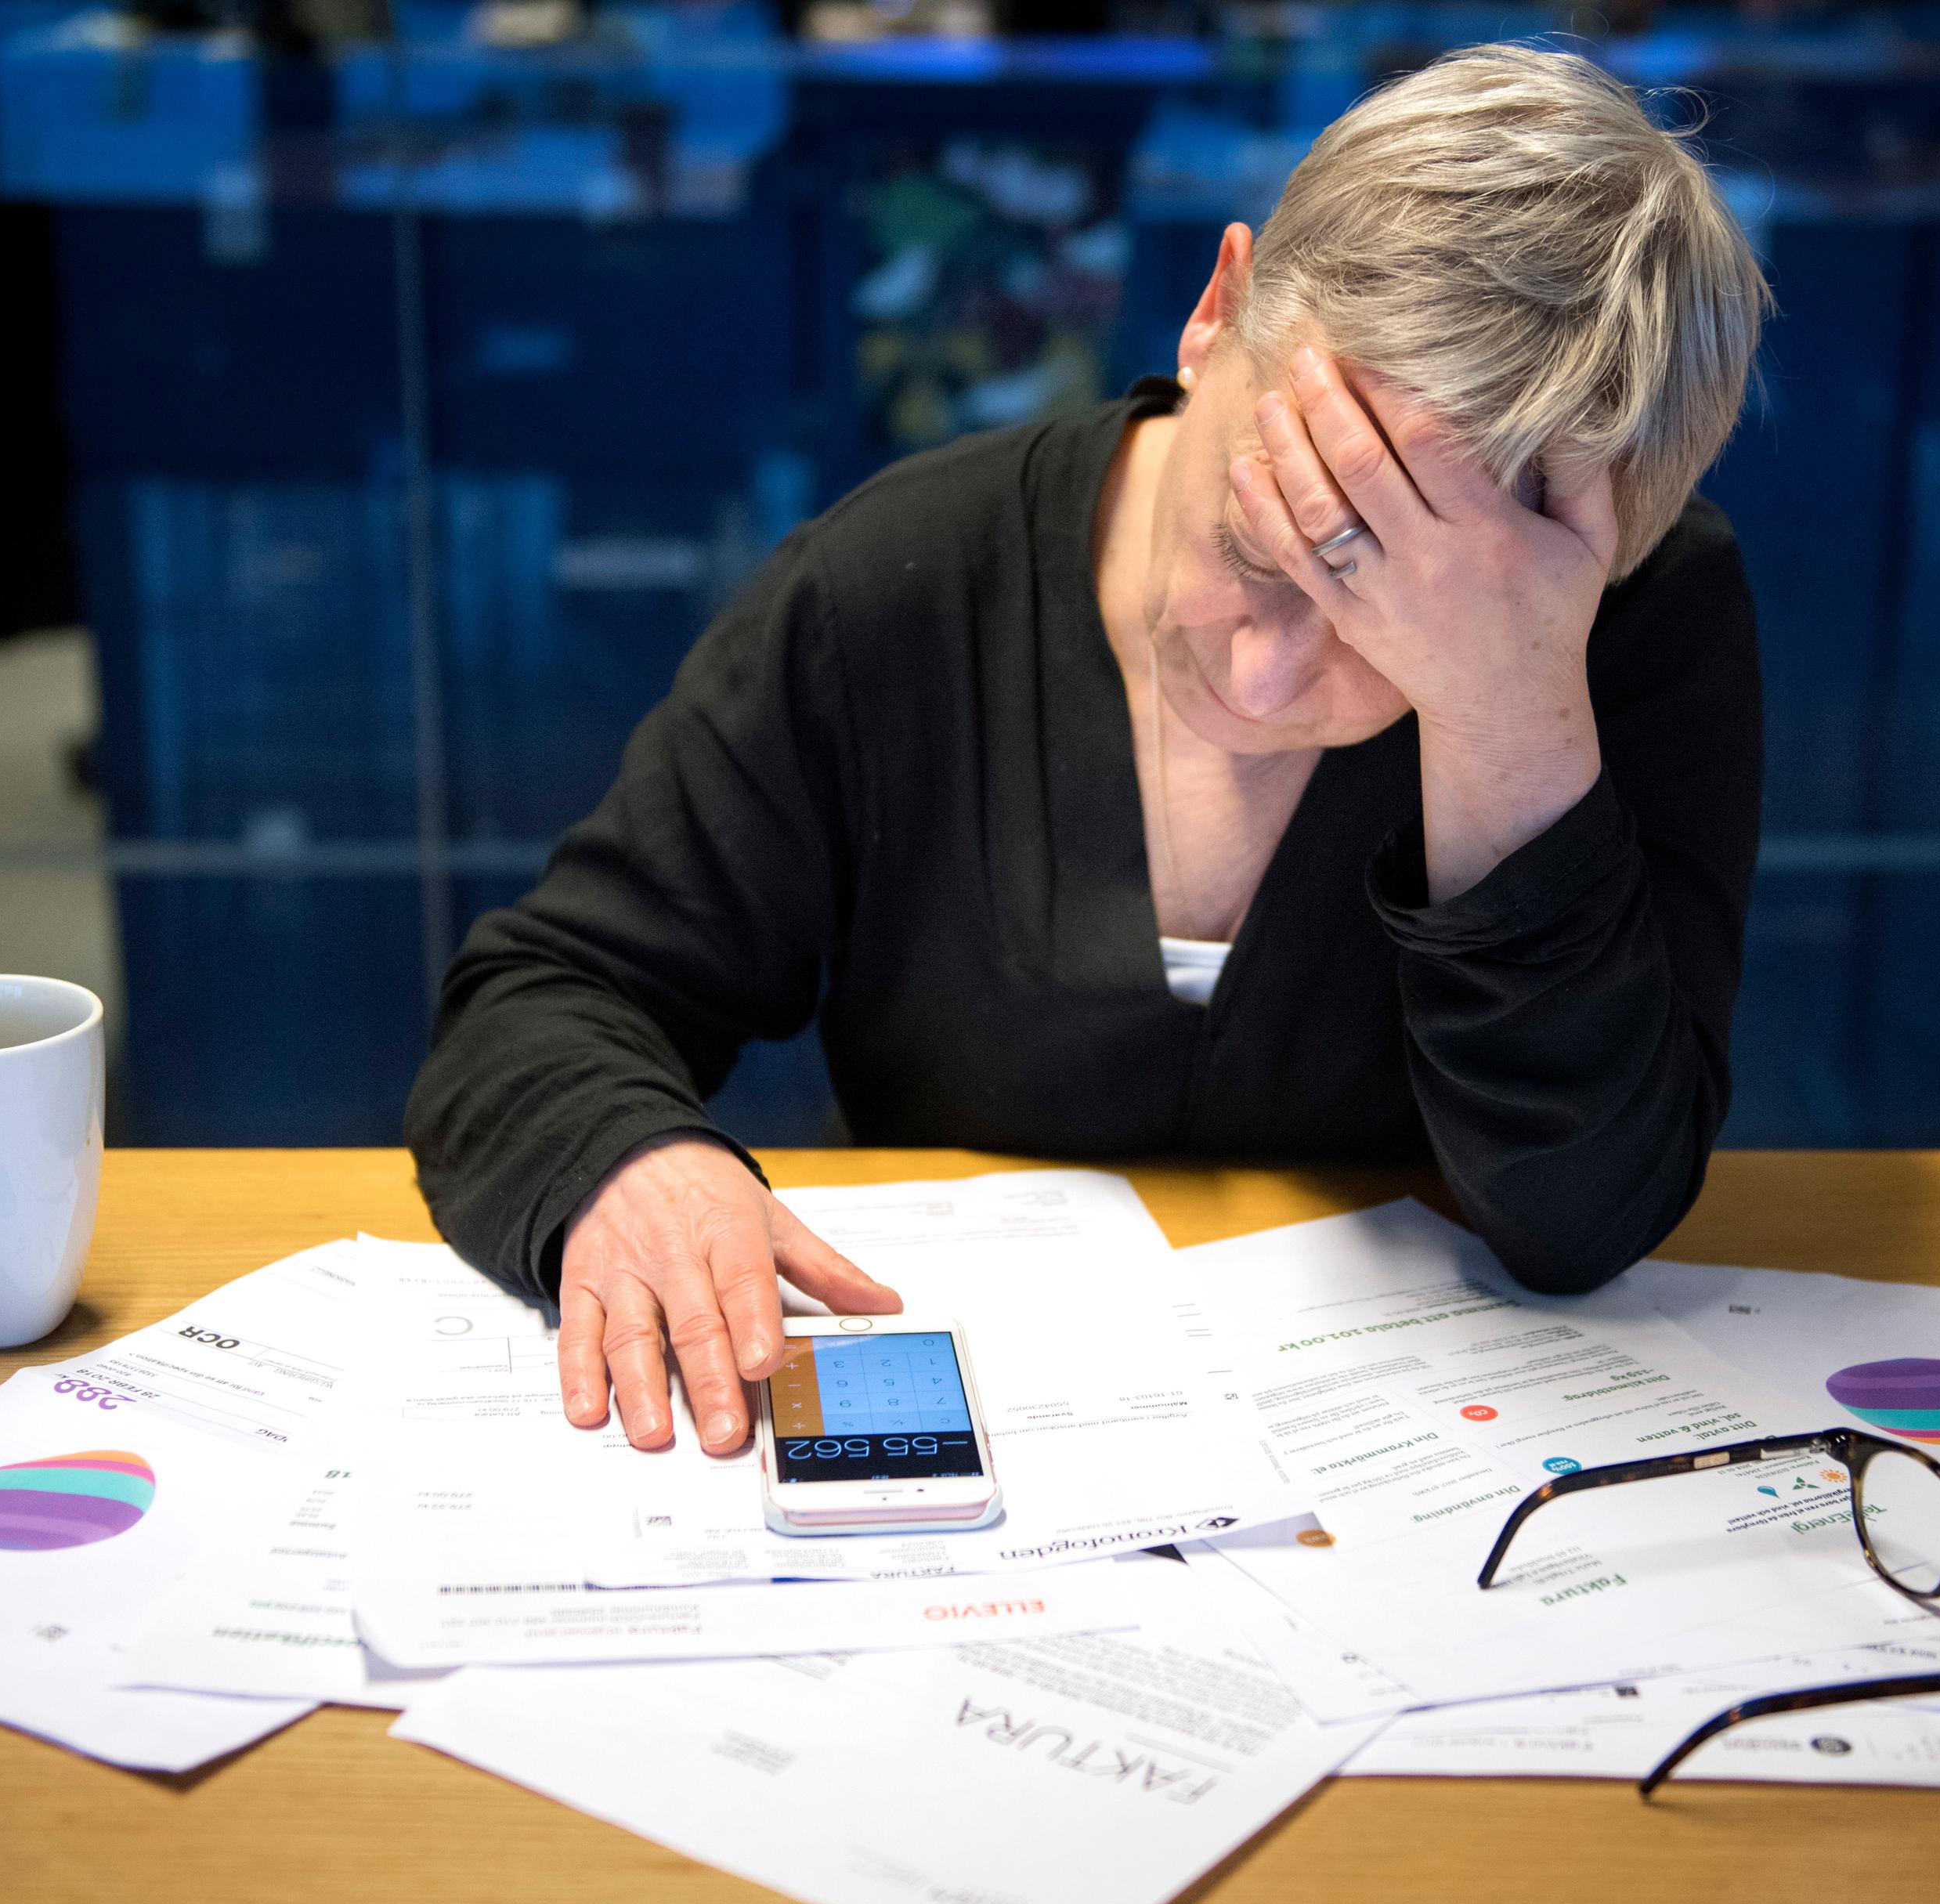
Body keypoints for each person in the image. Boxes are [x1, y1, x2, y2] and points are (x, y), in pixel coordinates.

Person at [408, 44, 1770, 1458]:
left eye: (1397, 634)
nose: (1270, 672)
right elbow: (546, 999)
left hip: (1427, 1470)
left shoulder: (1632, 633)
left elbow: (1586, 1219)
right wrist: (635, 1161)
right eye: (1261, 547)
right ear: (1214, 312)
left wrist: (1507, 713)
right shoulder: (903, 581)